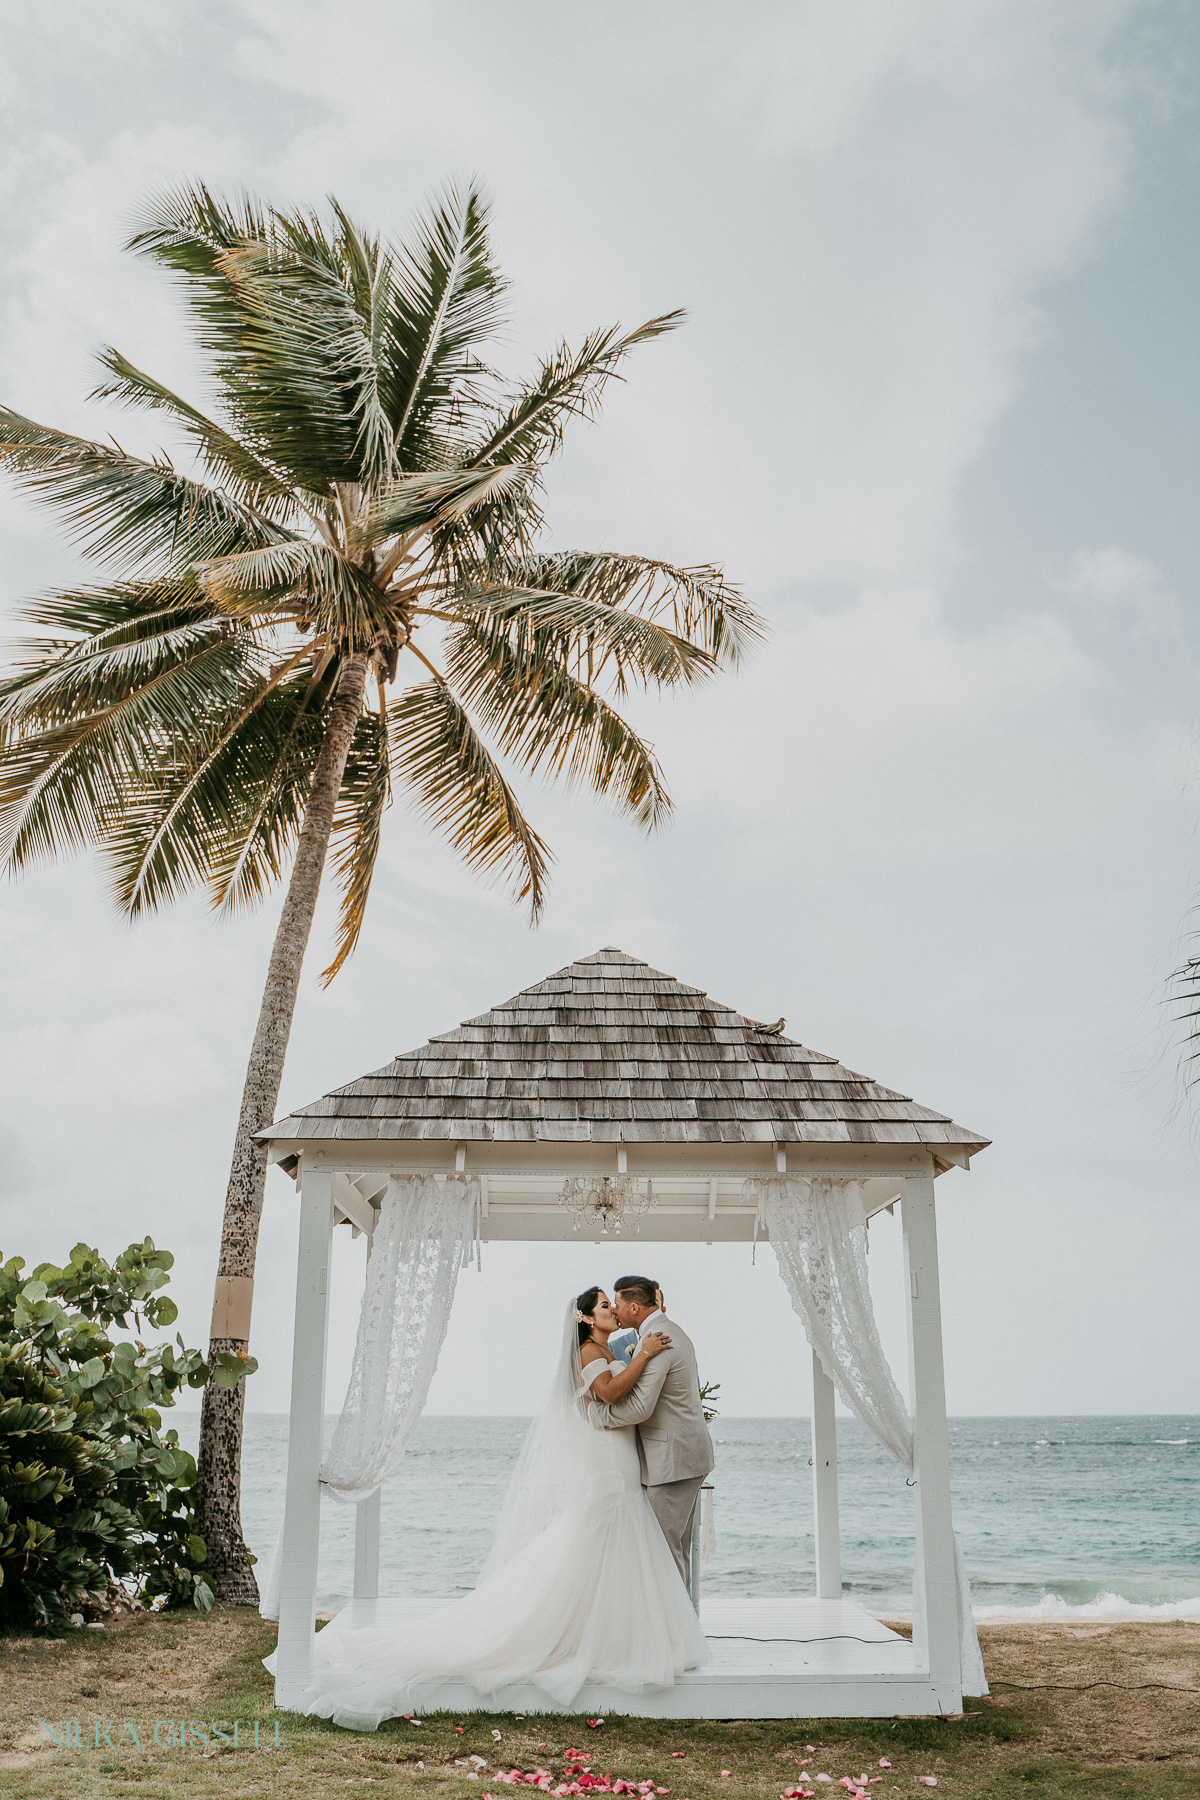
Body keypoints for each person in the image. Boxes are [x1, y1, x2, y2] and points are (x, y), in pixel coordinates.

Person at [270, 1286, 710, 1728]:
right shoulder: (589, 1353)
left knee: (615, 1547)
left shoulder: (608, 1345)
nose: (612, 1310)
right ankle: (586, 1636)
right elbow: (612, 1395)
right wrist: (640, 1357)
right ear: (585, 1319)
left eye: (613, 1305)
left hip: (620, 1455)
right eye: (603, 1306)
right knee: (598, 1537)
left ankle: (616, 1636)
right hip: (609, 1461)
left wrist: (635, 1357)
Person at [587, 1275, 715, 1586]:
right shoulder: (665, 1332)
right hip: (682, 1458)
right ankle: (681, 1630)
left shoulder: (659, 1337)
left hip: (672, 1463)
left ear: (633, 1308)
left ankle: (673, 1633)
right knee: (677, 1552)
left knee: (663, 1554)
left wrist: (596, 1414)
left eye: (617, 1304)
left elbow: (640, 1408)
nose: (615, 1311)